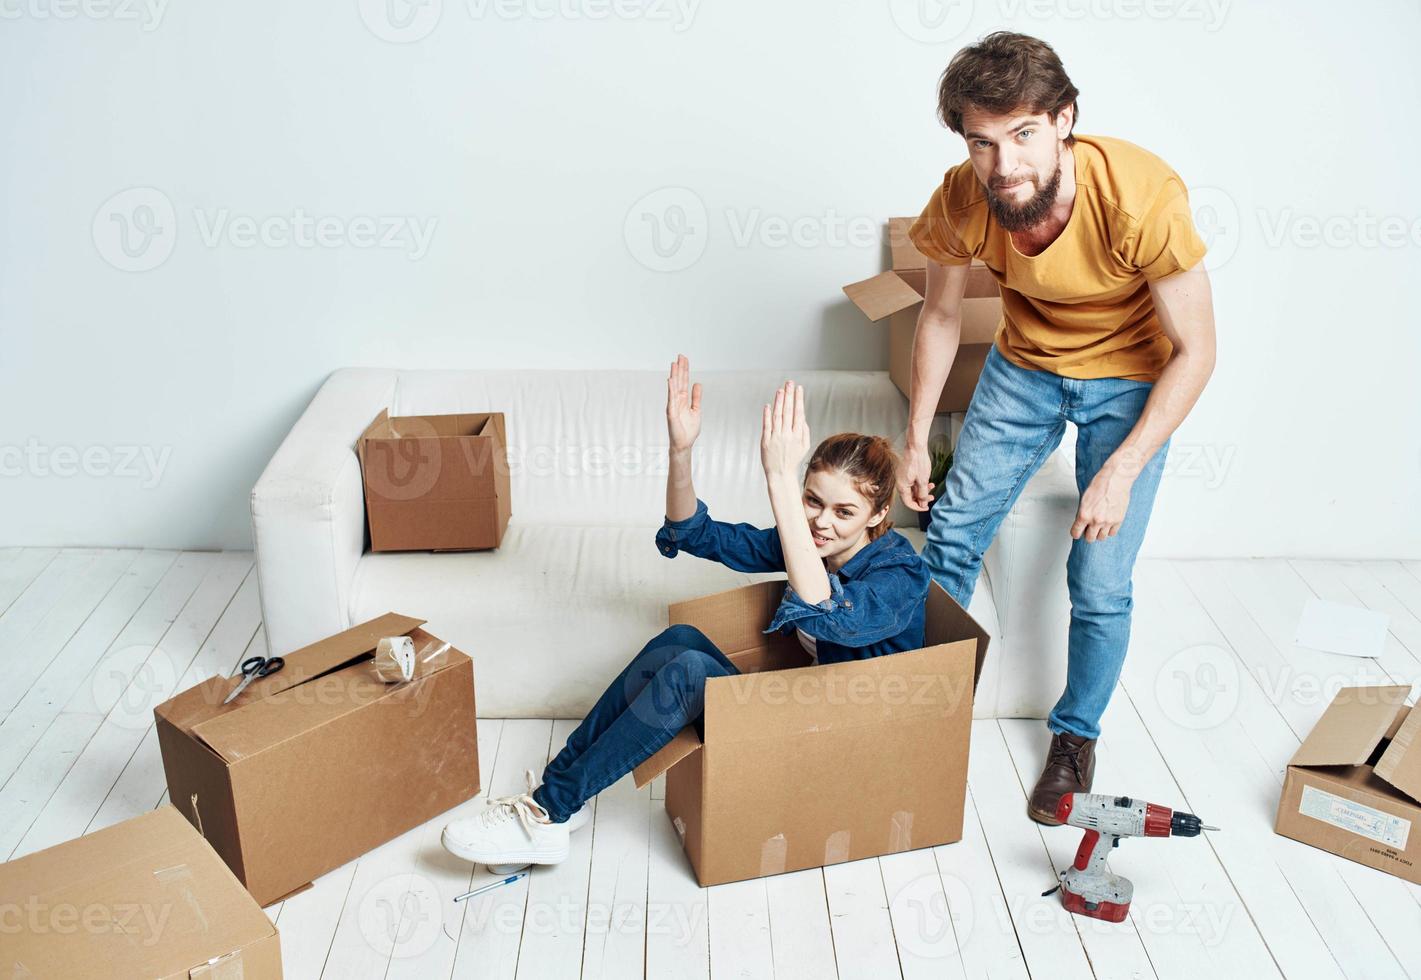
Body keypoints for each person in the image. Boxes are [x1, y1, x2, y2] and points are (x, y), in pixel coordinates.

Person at [441, 355, 932, 869]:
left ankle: (548, 811)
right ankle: (557, 798)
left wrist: (780, 479)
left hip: (849, 737)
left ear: (879, 515)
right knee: (680, 644)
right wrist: (680, 451)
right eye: (812, 500)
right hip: (807, 704)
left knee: (690, 673)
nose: (820, 522)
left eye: (844, 512)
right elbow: (696, 533)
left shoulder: (899, 576)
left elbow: (824, 611)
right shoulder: (813, 544)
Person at [899, 32, 1216, 824]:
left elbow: (1198, 351)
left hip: (1132, 379)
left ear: (1064, 118)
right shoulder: (963, 199)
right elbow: (938, 316)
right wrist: (912, 437)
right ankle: (911, 714)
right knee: (948, 540)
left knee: (1100, 584)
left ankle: (1074, 738)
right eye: (982, 142)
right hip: (1024, 367)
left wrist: (1121, 468)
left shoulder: (1140, 199)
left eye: (1024, 134)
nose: (1003, 165)